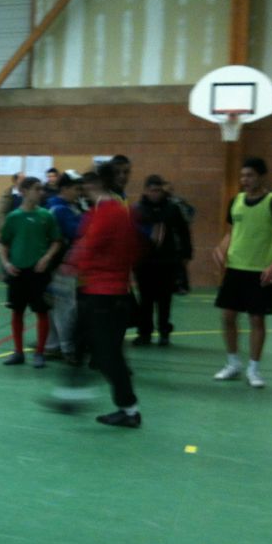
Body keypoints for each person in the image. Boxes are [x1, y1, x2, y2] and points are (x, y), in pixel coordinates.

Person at [65, 162, 141, 427]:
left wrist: (72, 265)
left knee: (108, 355)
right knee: (80, 341)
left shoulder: (108, 213)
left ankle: (129, 410)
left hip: (103, 294)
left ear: (95, 185)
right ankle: (72, 395)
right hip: (101, 291)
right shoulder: (115, 211)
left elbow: (89, 247)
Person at [212, 157, 272, 388]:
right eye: (242, 176)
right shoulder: (235, 201)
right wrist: (221, 248)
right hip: (235, 269)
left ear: (261, 176)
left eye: (249, 175)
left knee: (256, 320)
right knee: (227, 317)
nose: (244, 180)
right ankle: (233, 363)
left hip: (260, 272)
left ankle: (254, 369)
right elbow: (232, 232)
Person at [0, 176, 62, 368]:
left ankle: (40, 353)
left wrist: (46, 258)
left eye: (41, 189)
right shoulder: (13, 217)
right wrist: (7, 263)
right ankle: (18, 352)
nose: (40, 192)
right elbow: (3, 243)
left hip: (38, 273)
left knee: (41, 312)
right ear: (24, 191)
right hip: (17, 272)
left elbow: (57, 241)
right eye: (36, 188)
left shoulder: (46, 216)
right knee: (17, 312)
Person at [132, 174, 192, 346]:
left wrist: (186, 255)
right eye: (152, 190)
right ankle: (144, 333)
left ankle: (164, 332)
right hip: (144, 262)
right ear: (146, 190)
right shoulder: (137, 209)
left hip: (167, 261)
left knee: (165, 299)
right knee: (145, 300)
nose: (156, 194)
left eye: (158, 190)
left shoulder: (172, 208)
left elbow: (184, 232)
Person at [43, 170, 84, 361]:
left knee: (55, 308)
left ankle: (53, 346)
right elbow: (77, 231)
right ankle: (68, 349)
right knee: (65, 309)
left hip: (59, 266)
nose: (79, 193)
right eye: (76, 189)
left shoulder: (64, 206)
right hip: (61, 266)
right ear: (65, 188)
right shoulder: (60, 209)